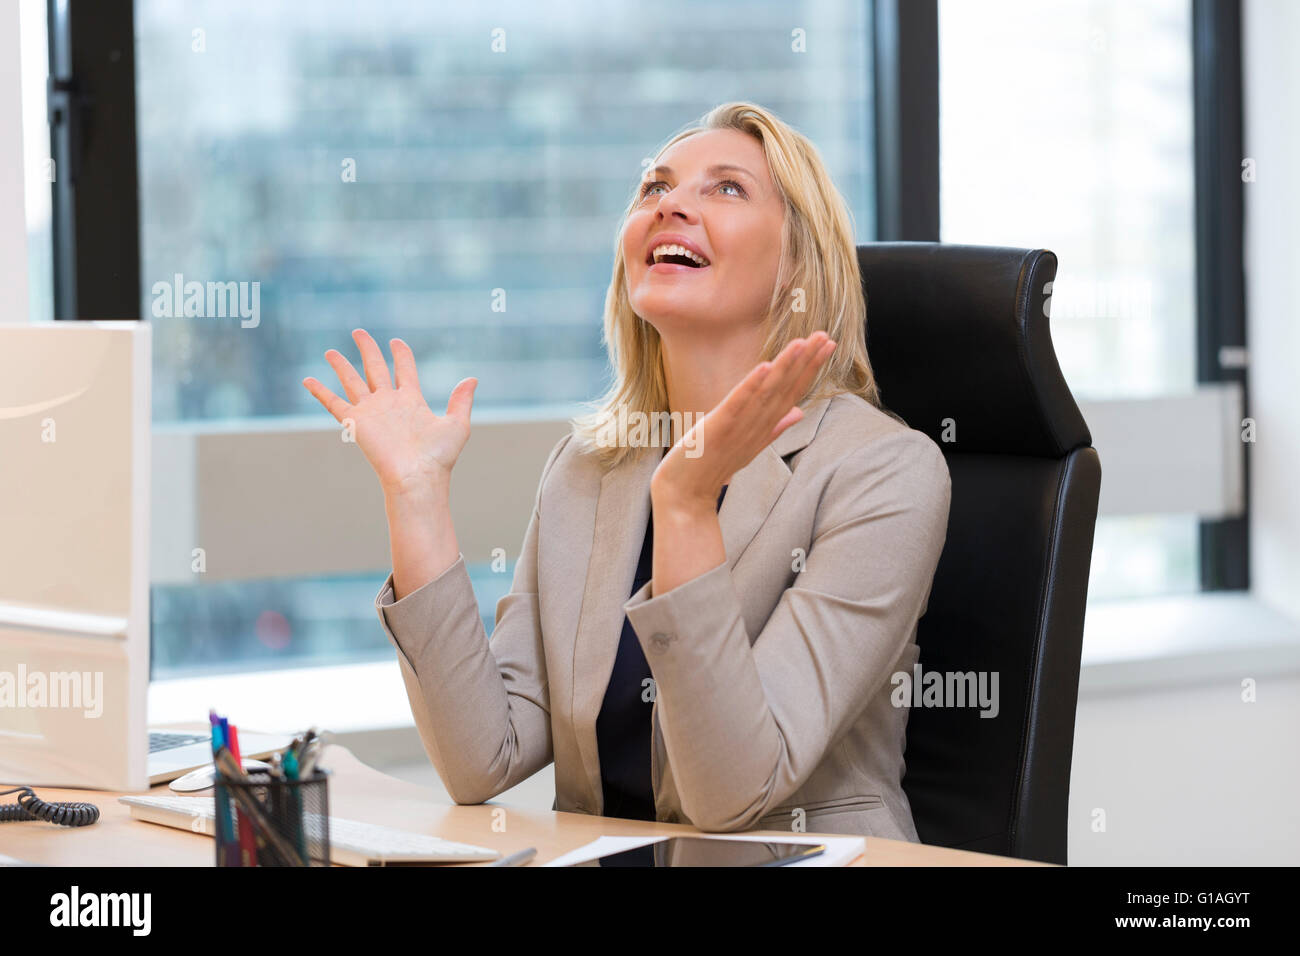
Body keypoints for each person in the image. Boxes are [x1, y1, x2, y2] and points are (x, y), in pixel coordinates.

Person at [302, 102, 951, 840]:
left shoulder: (883, 472)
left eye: (726, 189)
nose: (671, 203)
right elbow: (484, 756)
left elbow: (734, 793)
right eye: (655, 188)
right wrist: (416, 500)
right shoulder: (589, 468)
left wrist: (685, 501)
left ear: (799, 263)